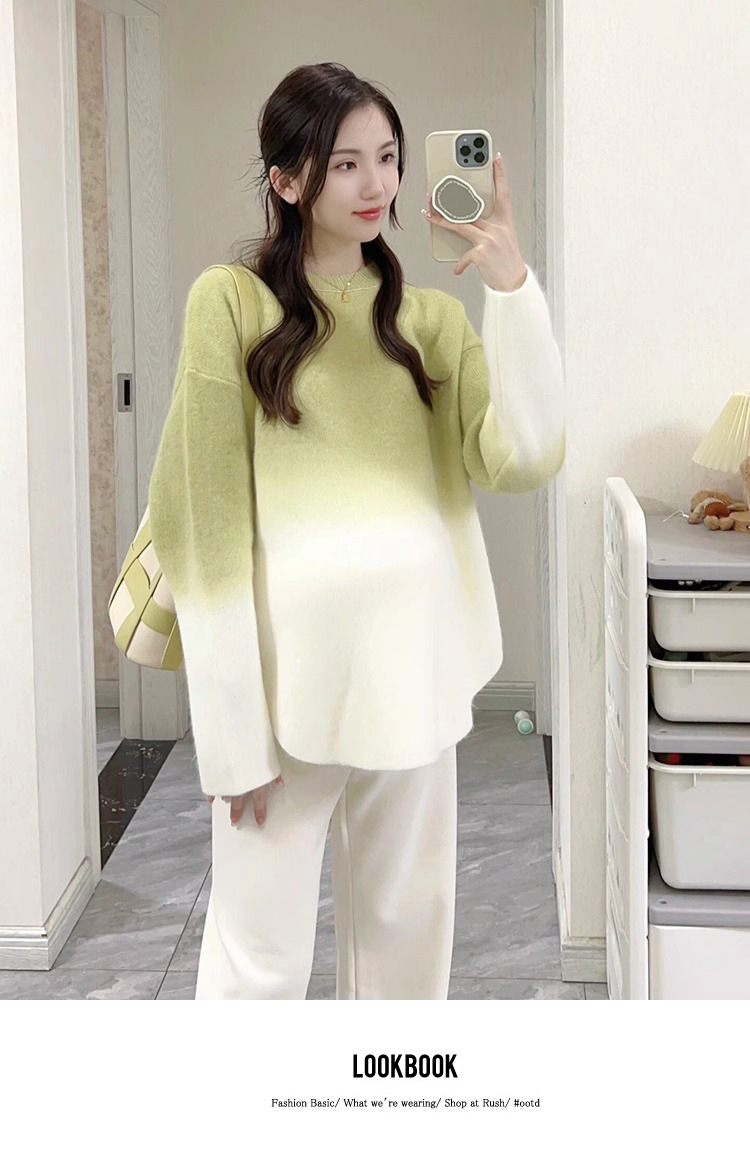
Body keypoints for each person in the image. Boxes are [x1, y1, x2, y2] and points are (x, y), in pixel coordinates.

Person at [148, 61, 565, 1000]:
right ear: (287, 179)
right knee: (257, 959)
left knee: (406, 941)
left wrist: (512, 287)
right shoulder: (231, 303)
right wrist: (232, 736)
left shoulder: (431, 321)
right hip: (283, 695)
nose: (377, 183)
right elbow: (203, 522)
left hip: (414, 670)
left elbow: (525, 457)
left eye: (387, 156)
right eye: (345, 164)